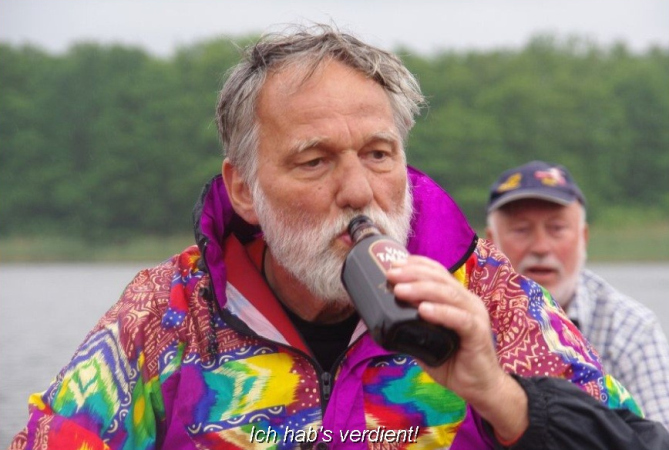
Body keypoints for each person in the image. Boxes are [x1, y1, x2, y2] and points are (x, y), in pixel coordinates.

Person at [11, 25, 669, 450]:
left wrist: (499, 393)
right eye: (314, 160)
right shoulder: (172, 312)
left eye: (379, 154)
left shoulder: (487, 300)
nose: (358, 191)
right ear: (244, 188)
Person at [485, 159, 669, 429]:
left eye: (557, 228)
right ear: (490, 243)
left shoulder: (632, 329)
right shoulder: (460, 321)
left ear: (583, 237)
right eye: (521, 230)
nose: (541, 247)